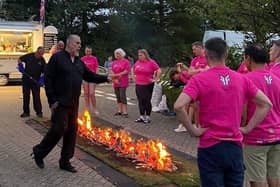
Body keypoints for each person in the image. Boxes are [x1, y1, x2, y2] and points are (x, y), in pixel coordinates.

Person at [174, 38, 272, 187]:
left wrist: (193, 130)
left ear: (206, 54)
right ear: (226, 54)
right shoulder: (241, 79)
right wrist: (247, 128)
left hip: (210, 146)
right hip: (234, 146)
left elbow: (179, 106)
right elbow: (266, 104)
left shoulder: (199, 80)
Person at [31, 35, 109, 173]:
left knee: (72, 132)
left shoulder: (79, 62)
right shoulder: (57, 58)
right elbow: (48, 79)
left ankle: (65, 161)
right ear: (69, 43)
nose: (79, 46)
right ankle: (39, 151)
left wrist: (107, 78)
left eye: (80, 43)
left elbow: (89, 75)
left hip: (74, 102)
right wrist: (52, 100)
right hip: (60, 103)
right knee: (59, 129)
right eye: (77, 43)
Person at [243, 45, 280, 187]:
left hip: (256, 137)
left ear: (249, 58)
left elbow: (243, 111)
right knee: (275, 175)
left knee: (257, 178)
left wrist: (244, 128)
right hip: (277, 135)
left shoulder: (246, 80)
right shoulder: (277, 80)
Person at [133, 49, 161, 124]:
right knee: (140, 100)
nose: (139, 56)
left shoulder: (151, 62)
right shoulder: (137, 62)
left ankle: (148, 117)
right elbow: (133, 69)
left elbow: (158, 70)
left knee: (147, 100)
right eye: (138, 55)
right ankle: (141, 116)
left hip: (148, 84)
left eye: (141, 55)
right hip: (138, 83)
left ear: (145, 55)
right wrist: (133, 78)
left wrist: (156, 79)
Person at [18, 46, 46, 118]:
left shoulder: (42, 60)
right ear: (36, 51)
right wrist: (20, 65)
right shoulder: (29, 56)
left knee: (36, 97)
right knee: (26, 96)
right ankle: (26, 112)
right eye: (39, 53)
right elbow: (20, 59)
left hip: (35, 81)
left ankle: (39, 112)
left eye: (42, 54)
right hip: (26, 80)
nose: (40, 55)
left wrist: (41, 80)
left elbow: (44, 72)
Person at [111, 48, 130, 117]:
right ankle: (119, 111)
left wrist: (118, 75)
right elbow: (112, 71)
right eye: (116, 54)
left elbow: (126, 71)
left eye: (118, 53)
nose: (117, 55)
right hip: (115, 81)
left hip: (123, 81)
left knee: (122, 96)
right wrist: (114, 78)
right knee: (118, 96)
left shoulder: (126, 61)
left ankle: (125, 111)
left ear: (122, 54)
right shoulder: (114, 62)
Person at [81, 46, 99, 115]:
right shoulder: (82, 59)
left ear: (91, 51)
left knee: (91, 93)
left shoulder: (94, 58)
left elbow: (97, 68)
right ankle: (87, 107)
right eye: (87, 51)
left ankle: (94, 108)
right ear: (85, 51)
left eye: (89, 51)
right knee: (86, 93)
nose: (88, 52)